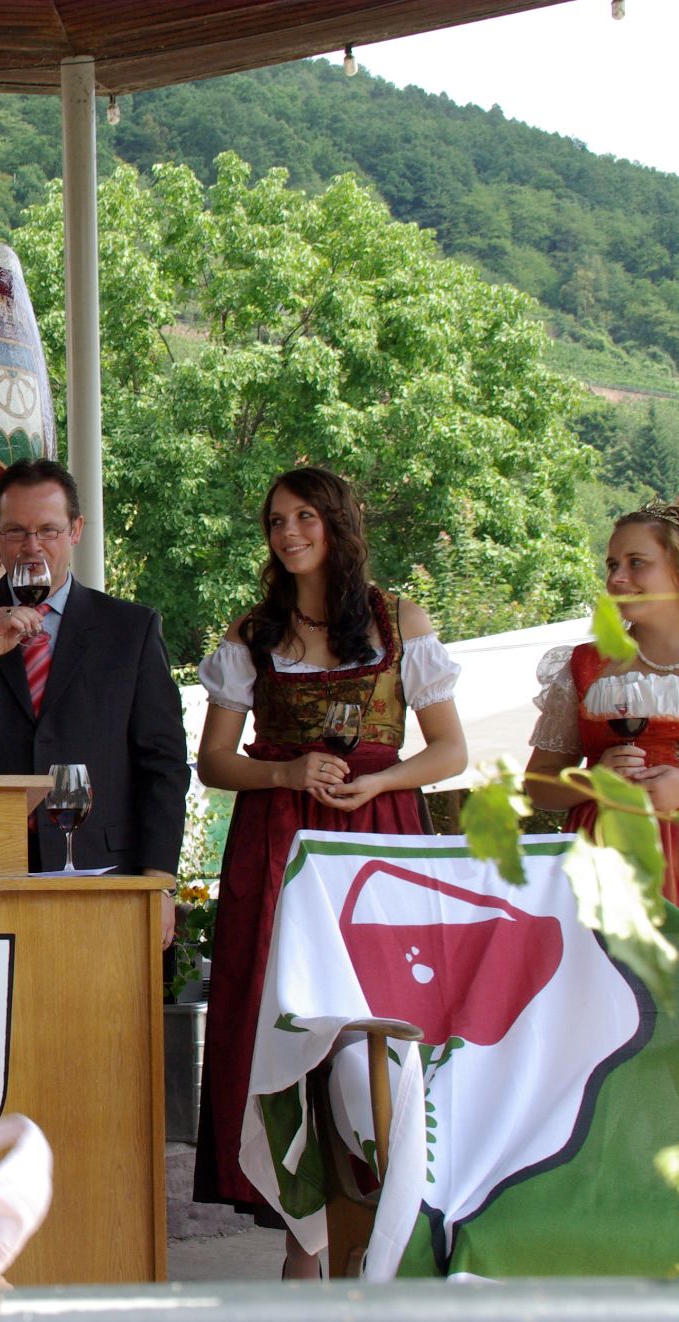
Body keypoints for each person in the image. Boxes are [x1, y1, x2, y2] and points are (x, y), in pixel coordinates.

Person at [190, 467, 465, 1278]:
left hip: (376, 843)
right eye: (276, 520)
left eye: (305, 516)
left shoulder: (400, 621)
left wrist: (377, 781)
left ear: (338, 524)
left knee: (375, 1034)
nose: (289, 532)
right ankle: (301, 1243)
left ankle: (384, 1234)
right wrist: (284, 774)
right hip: (278, 845)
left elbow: (451, 751)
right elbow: (211, 763)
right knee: (283, 1027)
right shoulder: (251, 636)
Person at [0, 459, 190, 914]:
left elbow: (163, 764)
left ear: (76, 530)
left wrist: (159, 885)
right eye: (16, 532)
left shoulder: (130, 628)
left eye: (48, 531)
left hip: (102, 872)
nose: (32, 548)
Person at [526, 503, 679, 906]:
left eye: (636, 563)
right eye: (612, 565)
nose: (617, 578)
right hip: (606, 866)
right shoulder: (584, 665)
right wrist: (593, 782)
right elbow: (538, 786)